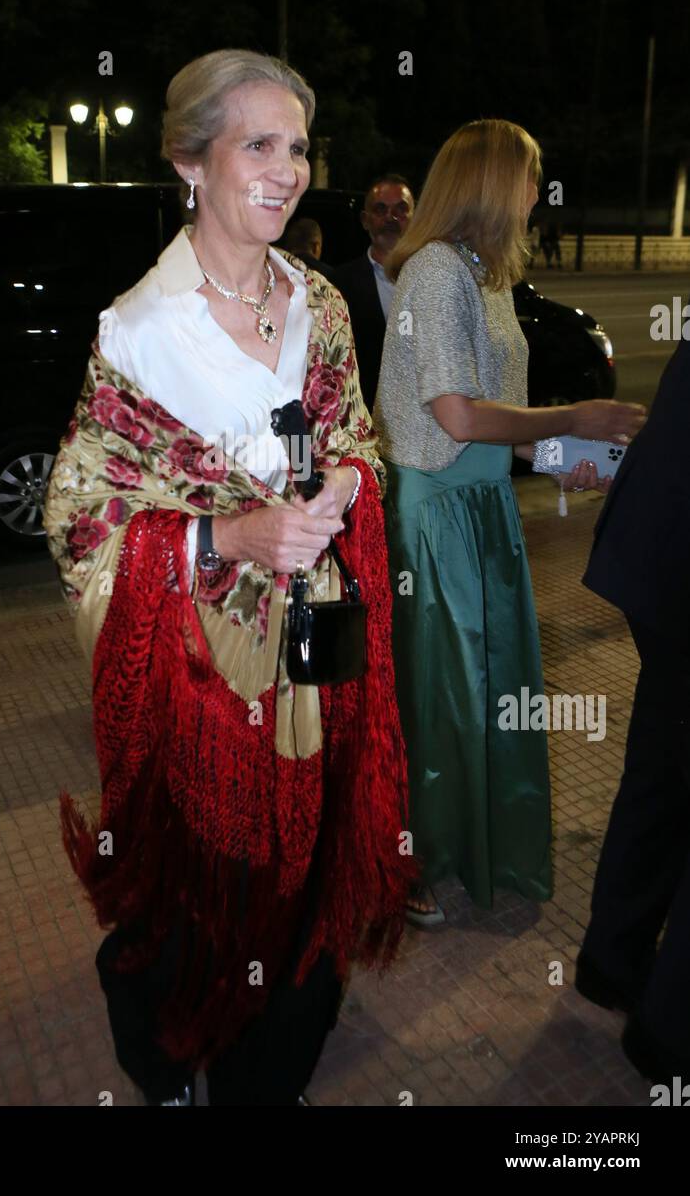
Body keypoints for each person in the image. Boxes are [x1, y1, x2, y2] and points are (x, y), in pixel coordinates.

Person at [43, 48, 415, 1107]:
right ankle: (165, 1056)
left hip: (312, 658)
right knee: (189, 888)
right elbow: (79, 523)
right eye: (258, 143)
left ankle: (266, 1072)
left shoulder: (322, 307)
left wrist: (343, 485)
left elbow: (357, 439)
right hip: (194, 673)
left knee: (297, 880)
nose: (287, 168)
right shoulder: (138, 332)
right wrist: (224, 540)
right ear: (189, 164)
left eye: (296, 147)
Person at [372, 119, 646, 926]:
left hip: (483, 504)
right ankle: (414, 861)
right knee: (442, 695)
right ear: (492, 184)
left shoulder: (481, 277)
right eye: (528, 176)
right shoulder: (433, 272)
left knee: (488, 690)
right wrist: (583, 414)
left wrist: (567, 459)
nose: (537, 192)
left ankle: (471, 843)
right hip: (439, 513)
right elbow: (455, 417)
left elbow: (499, 423)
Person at [576, 334, 690, 1086]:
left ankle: (611, 964)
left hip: (662, 566)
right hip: (675, 569)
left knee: (662, 770)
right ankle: (669, 1032)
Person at [326, 175, 415, 412]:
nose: (391, 217)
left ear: (414, 218)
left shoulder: (433, 280)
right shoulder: (338, 284)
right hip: (362, 418)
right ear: (365, 220)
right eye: (381, 209)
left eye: (401, 209)